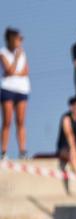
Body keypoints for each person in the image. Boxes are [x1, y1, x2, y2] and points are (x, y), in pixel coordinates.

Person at [0, 27, 30, 160]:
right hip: (8, 89)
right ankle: (4, 151)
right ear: (12, 39)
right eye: (19, 39)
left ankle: (23, 151)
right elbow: (10, 70)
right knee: (7, 120)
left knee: (21, 121)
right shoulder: (3, 52)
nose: (21, 41)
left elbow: (25, 71)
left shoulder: (23, 53)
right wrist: (16, 59)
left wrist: (15, 72)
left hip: (22, 89)